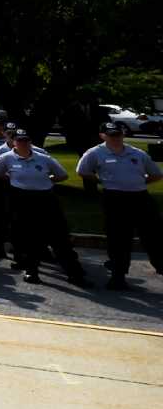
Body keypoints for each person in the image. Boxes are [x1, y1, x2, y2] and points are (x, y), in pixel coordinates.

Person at [0, 130, 86, 286]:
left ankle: (74, 273)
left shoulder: (43, 158)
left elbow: (62, 175)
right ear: (14, 142)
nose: (23, 144)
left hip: (45, 198)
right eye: (19, 141)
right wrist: (13, 180)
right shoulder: (5, 157)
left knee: (60, 236)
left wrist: (45, 180)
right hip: (22, 199)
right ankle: (31, 271)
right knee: (30, 237)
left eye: (26, 141)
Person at [77, 123, 162, 289]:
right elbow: (83, 171)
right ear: (103, 136)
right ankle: (118, 275)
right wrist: (102, 181)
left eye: (118, 134)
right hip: (114, 198)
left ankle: (160, 264)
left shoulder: (136, 153)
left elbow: (156, 174)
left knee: (154, 234)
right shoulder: (95, 153)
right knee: (119, 238)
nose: (116, 138)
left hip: (140, 197)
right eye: (111, 135)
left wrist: (139, 182)